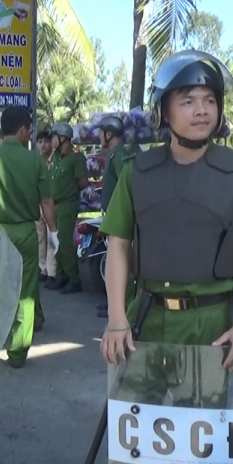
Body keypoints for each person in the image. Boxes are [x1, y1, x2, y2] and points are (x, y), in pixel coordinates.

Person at [95, 50, 233, 464]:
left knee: (198, 447)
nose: (201, 110)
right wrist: (116, 317)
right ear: (164, 111)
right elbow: (118, 246)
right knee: (128, 438)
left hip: (211, 327)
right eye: (187, 99)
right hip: (146, 319)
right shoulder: (137, 171)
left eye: (209, 100)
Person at [0, 106, 59, 367]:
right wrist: (54, 232)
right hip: (26, 232)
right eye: (30, 131)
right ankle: (17, 353)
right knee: (25, 294)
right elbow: (47, 201)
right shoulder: (35, 160)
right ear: (23, 129)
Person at [97, 115, 134, 318]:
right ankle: (114, 302)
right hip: (113, 215)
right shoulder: (114, 154)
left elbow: (125, 185)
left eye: (101, 132)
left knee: (122, 261)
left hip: (120, 218)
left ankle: (124, 305)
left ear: (108, 133)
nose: (99, 136)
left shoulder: (119, 155)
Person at [46, 122, 88, 294]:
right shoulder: (55, 156)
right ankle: (61, 276)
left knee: (65, 241)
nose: (51, 141)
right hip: (53, 204)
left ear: (63, 138)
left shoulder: (76, 156)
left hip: (67, 204)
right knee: (56, 241)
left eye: (53, 137)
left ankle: (73, 279)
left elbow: (83, 182)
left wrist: (70, 193)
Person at [35, 131, 57, 284]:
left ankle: (52, 272)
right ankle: (42, 268)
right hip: (37, 203)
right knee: (40, 238)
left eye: (46, 141)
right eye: (40, 141)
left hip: (51, 203)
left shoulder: (56, 160)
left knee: (51, 237)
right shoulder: (35, 161)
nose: (43, 145)